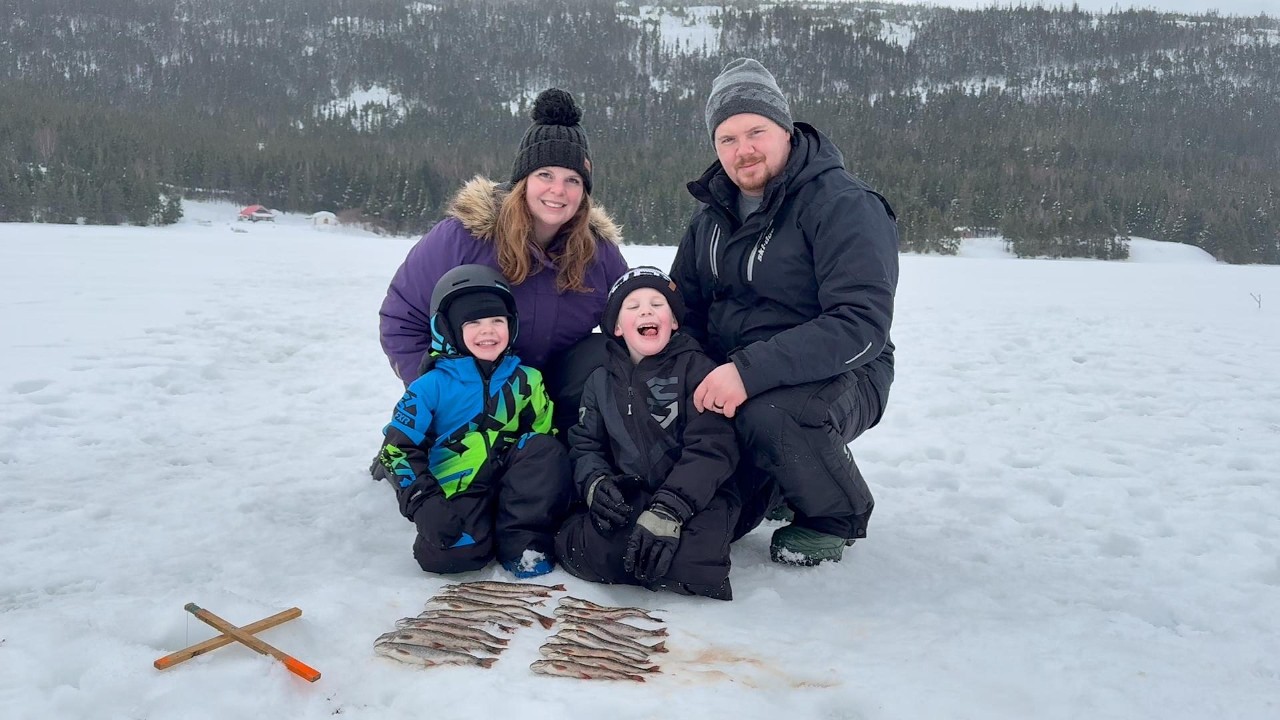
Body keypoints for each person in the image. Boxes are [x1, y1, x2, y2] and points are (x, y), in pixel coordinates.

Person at [669, 58, 899, 566]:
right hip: (735, 368)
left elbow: (860, 323)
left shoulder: (843, 204)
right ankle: (776, 480)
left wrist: (747, 374)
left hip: (844, 371)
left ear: (786, 131)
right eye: (727, 139)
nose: (743, 149)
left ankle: (833, 514)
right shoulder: (709, 219)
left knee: (774, 414)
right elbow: (683, 308)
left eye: (756, 131)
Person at [378, 87, 628, 434]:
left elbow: (635, 318)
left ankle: (568, 444)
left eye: (572, 180)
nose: (558, 191)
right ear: (522, 181)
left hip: (549, 399)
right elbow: (401, 320)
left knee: (604, 352)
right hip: (471, 397)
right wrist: (437, 393)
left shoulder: (598, 253)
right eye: (545, 175)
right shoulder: (463, 238)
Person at [555, 267, 740, 600]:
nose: (646, 310)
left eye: (658, 304)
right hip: (636, 494)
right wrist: (596, 483)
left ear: (673, 322)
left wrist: (671, 508)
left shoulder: (698, 369)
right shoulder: (599, 381)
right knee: (584, 551)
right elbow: (586, 446)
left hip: (697, 497)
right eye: (633, 306)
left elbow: (712, 447)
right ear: (616, 327)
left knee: (696, 565)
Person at [375, 264, 572, 578]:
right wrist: (423, 502)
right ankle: (475, 525)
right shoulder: (429, 388)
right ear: (449, 329)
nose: (488, 331)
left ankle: (520, 535)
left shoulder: (527, 380)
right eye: (474, 322)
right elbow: (397, 451)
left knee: (545, 447)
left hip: (511, 482)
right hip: (458, 485)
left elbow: (544, 440)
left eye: (498, 320)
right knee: (450, 555)